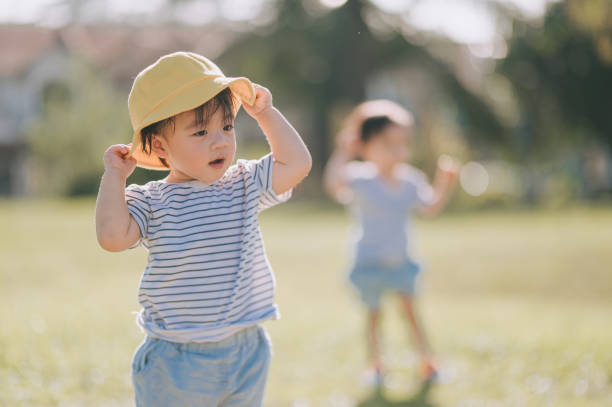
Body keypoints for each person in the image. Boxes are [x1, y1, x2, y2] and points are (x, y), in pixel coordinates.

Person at [95, 51, 311, 406]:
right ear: (161, 146)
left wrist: (265, 113)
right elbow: (112, 238)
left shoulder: (244, 182)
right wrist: (114, 177)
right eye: (200, 131)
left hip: (246, 349)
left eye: (227, 127)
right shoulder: (153, 201)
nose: (220, 141)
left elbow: (298, 163)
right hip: (177, 361)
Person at [324, 99, 457, 385]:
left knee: (411, 313)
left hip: (401, 260)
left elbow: (430, 206)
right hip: (368, 262)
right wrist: (342, 152)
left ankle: (428, 362)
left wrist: (444, 183)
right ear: (364, 146)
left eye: (402, 143)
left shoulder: (410, 181)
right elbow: (333, 183)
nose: (398, 151)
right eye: (388, 144)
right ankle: (375, 366)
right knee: (373, 317)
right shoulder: (359, 179)